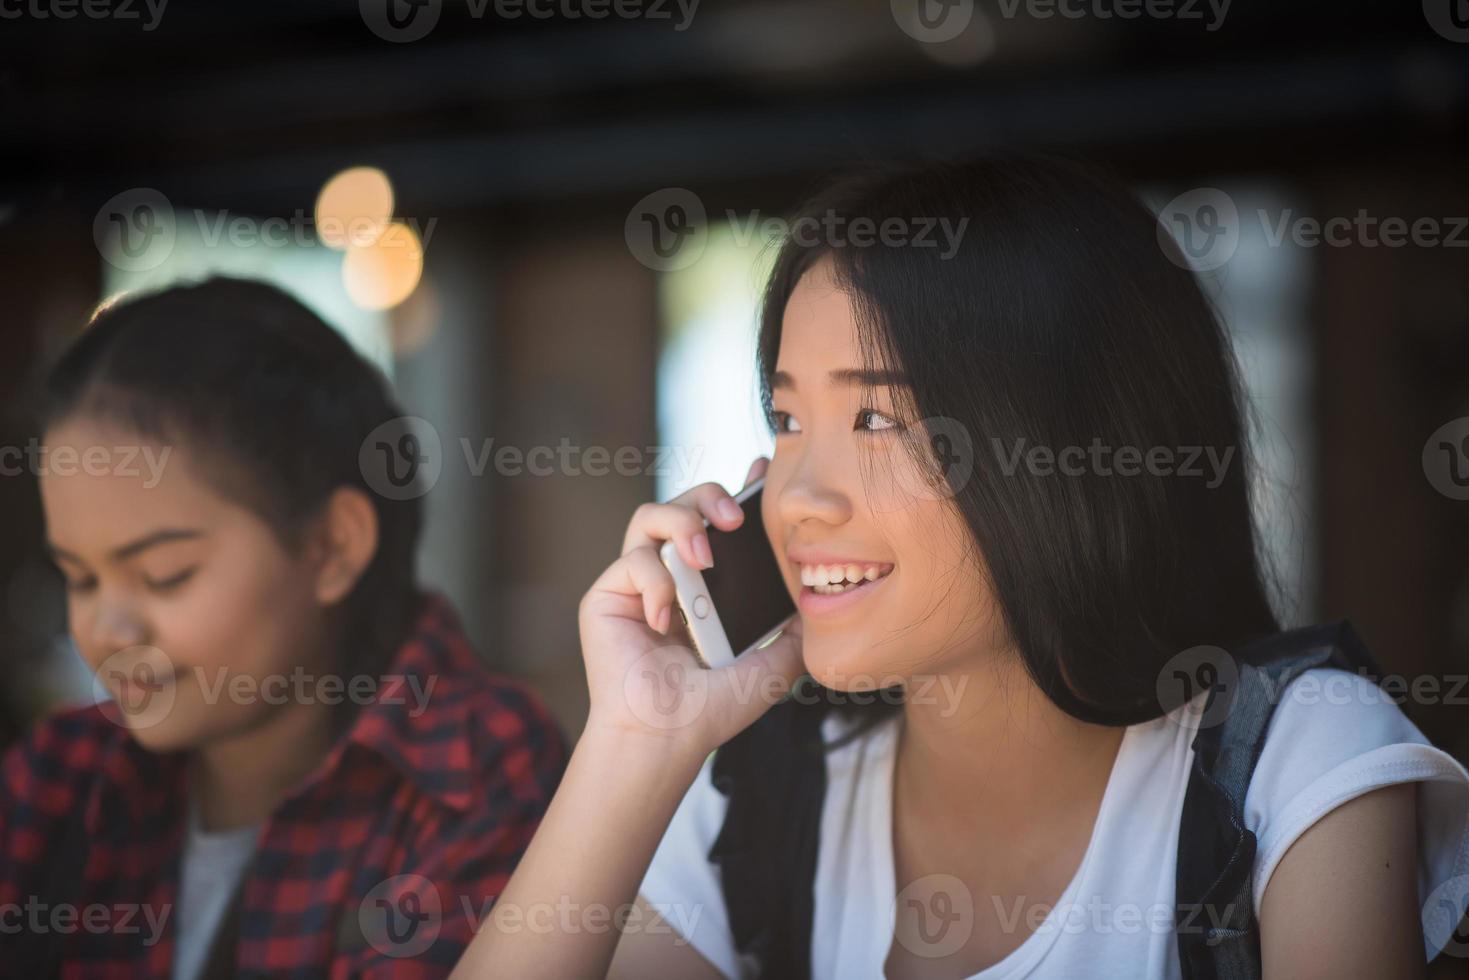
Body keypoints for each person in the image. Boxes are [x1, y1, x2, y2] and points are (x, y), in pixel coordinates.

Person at [450, 156, 1469, 979]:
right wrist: (634, 741)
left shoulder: (1294, 763)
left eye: (878, 417)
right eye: (787, 417)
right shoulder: (757, 793)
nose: (799, 492)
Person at [1, 279, 568, 978]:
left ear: (331, 546)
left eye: (164, 574)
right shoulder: (64, 774)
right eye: (79, 579)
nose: (106, 626)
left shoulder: (473, 773)